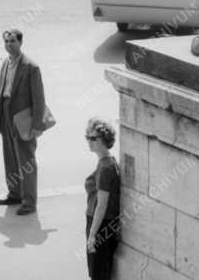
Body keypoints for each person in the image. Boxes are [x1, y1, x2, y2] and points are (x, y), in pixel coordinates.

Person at [0, 28, 47, 215]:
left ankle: (29, 202)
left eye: (12, 41)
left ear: (20, 43)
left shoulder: (31, 67)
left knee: (26, 160)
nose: (9, 45)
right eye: (6, 42)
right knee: (10, 157)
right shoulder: (5, 64)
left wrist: (37, 126)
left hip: (23, 117)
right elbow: (2, 93)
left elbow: (39, 98)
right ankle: (15, 193)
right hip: (7, 113)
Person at [85, 118, 121, 280]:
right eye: (87, 137)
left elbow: (101, 205)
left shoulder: (105, 168)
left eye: (93, 138)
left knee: (98, 273)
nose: (89, 141)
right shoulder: (109, 162)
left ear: (104, 141)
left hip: (100, 223)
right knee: (102, 271)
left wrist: (92, 235)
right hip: (105, 223)